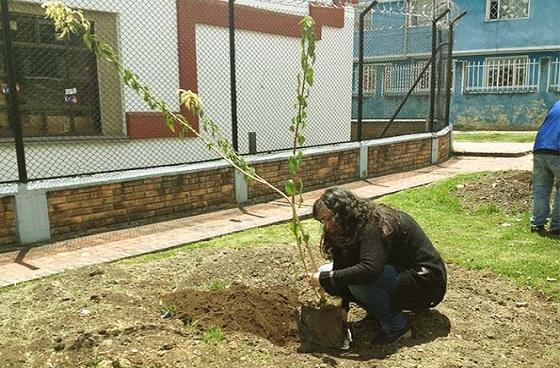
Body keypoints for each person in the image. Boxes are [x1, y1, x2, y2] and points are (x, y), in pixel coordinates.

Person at [306, 187, 447, 346]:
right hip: (397, 273)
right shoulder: (345, 228)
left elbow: (370, 269)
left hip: (426, 283)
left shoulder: (373, 224)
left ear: (344, 213)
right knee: (328, 272)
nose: (327, 226)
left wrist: (326, 279)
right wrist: (343, 306)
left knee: (356, 282)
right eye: (323, 220)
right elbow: (341, 268)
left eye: (329, 218)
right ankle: (379, 309)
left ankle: (397, 327)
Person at [531, 100, 560, 236]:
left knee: (541, 188)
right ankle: (556, 226)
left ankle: (537, 224)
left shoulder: (556, 104)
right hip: (558, 150)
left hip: (540, 148)